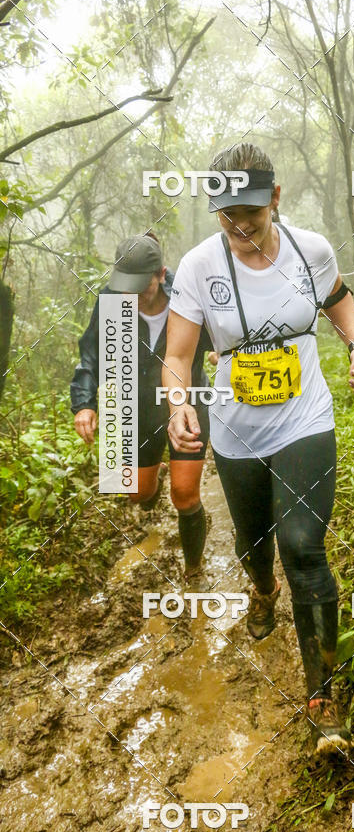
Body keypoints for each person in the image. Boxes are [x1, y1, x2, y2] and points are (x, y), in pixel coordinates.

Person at [162, 144, 354, 754]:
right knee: (254, 543)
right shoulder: (200, 266)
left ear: (274, 199)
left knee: (303, 546)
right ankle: (262, 589)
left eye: (249, 213)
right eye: (226, 215)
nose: (238, 226)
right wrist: (180, 404)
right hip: (234, 432)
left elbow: (338, 301)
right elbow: (178, 357)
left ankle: (323, 695)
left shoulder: (311, 250)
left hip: (305, 418)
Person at [70, 232, 212, 581]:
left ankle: (193, 569)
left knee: (184, 495)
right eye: (124, 286)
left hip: (185, 402)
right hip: (135, 404)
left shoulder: (186, 294)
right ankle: (154, 479)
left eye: (139, 287)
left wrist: (222, 349)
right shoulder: (110, 301)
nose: (129, 296)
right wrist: (85, 405)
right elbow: (91, 353)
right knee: (136, 492)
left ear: (161, 275)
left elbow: (221, 331)